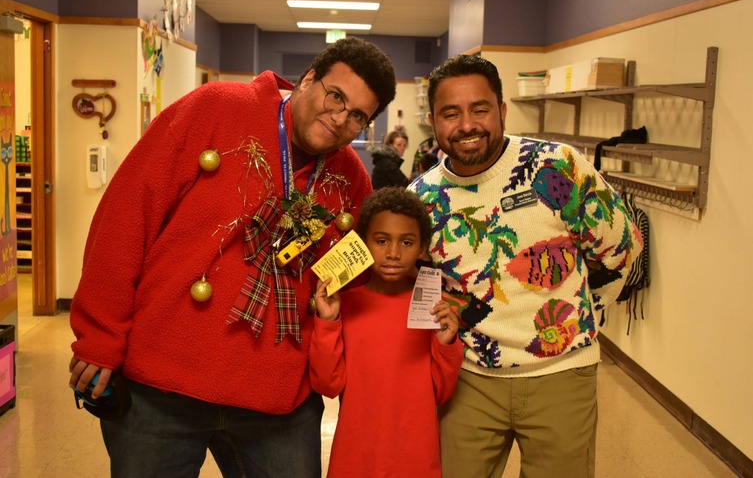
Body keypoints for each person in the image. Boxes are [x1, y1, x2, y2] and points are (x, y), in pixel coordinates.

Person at [68, 37, 396, 477]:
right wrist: (99, 336)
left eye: (358, 115)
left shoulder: (351, 179)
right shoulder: (214, 108)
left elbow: (352, 282)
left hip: (277, 401)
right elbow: (126, 217)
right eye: (335, 96)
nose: (340, 119)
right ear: (307, 80)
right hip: (161, 387)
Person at [408, 55, 643, 478]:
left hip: (561, 373)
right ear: (432, 120)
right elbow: (419, 286)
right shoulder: (422, 199)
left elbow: (622, 245)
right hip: (467, 377)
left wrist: (582, 310)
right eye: (450, 113)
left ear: (501, 111)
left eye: (479, 109)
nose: (466, 125)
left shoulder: (556, 166)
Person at [309, 187, 464, 477]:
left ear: (421, 248)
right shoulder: (347, 303)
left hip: (415, 456)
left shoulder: (434, 308)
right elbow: (327, 385)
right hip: (356, 454)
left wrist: (447, 343)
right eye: (381, 241)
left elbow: (441, 393)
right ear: (364, 244)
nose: (393, 253)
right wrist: (328, 323)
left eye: (406, 242)